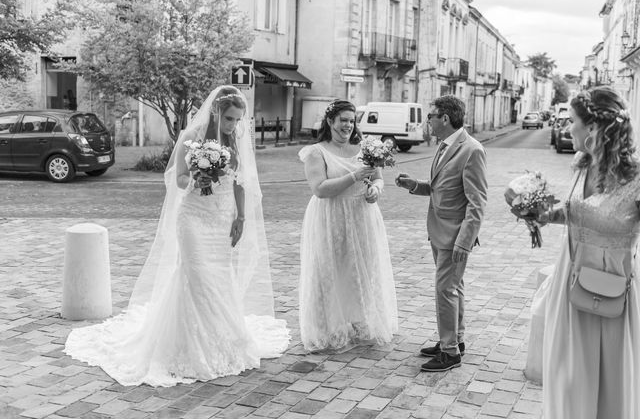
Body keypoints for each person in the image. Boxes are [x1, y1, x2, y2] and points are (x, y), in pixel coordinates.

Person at [64, 86, 290, 386]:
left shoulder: (235, 140)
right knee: (196, 274)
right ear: (215, 113)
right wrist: (198, 176)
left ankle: (222, 339)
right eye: (229, 119)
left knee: (219, 276)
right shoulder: (190, 138)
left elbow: (239, 182)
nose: (233, 125)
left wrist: (242, 216)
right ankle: (189, 346)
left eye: (237, 120)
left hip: (222, 216)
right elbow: (178, 178)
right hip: (194, 216)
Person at [534, 86, 640, 418]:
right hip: (570, 283)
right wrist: (546, 214)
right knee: (568, 379)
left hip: (611, 293)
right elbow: (581, 212)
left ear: (594, 127)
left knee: (608, 384)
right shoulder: (583, 166)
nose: (568, 128)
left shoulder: (635, 177)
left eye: (573, 121)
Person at [396, 95, 488, 372]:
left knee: (444, 290)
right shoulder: (445, 146)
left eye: (431, 116)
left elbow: (477, 201)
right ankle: (455, 340)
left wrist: (465, 240)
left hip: (454, 236)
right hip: (438, 231)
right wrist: (415, 185)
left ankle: (449, 353)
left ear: (445, 118)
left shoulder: (471, 150)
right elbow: (441, 187)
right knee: (454, 288)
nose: (428, 121)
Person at [298, 100, 398, 352]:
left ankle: (360, 322)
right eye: (343, 120)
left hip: (362, 215)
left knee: (363, 268)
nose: (348, 125)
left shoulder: (364, 148)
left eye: (351, 121)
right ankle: (327, 327)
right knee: (328, 269)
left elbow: (378, 178)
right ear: (330, 121)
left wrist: (375, 189)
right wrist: (354, 176)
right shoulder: (316, 152)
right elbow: (319, 189)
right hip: (330, 215)